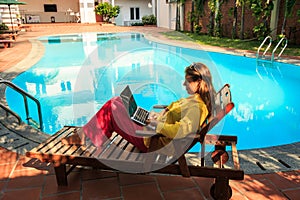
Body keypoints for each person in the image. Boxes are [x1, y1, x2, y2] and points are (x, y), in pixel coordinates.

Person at [62, 62, 216, 153]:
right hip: (151, 130)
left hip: (152, 140)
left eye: (187, 81)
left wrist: (155, 124)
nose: (184, 84)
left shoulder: (197, 108)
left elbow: (180, 131)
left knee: (111, 108)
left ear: (199, 82)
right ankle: (89, 135)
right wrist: (154, 117)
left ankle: (84, 136)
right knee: (116, 100)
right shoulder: (194, 100)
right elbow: (174, 118)